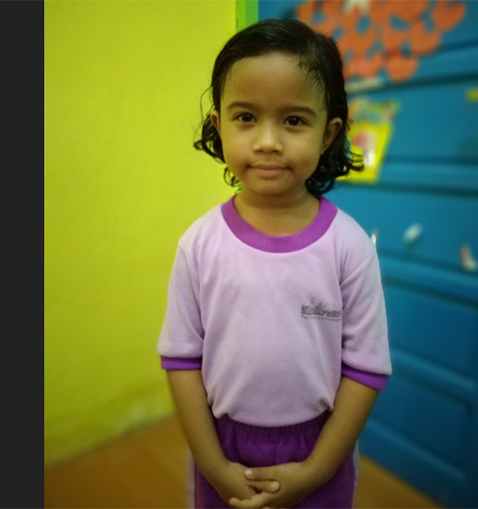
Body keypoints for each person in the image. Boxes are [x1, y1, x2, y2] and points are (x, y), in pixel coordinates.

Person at [157, 18, 392, 509]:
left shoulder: (349, 247)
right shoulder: (198, 245)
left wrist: (316, 470)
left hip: (320, 449)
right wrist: (214, 467)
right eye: (246, 117)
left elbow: (366, 369)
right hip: (223, 448)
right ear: (218, 125)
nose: (267, 141)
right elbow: (181, 360)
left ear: (328, 133)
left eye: (294, 120)